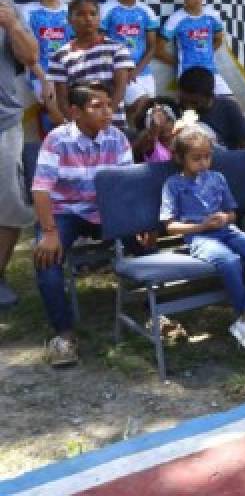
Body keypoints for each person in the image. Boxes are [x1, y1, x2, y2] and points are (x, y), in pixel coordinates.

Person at [31, 82, 133, 367]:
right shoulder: (57, 140)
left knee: (145, 240)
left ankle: (150, 313)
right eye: (97, 106)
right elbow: (40, 190)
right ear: (75, 112)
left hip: (106, 211)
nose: (107, 112)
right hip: (66, 212)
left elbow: (128, 187)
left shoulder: (118, 138)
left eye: (109, 105)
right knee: (46, 260)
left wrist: (139, 221)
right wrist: (49, 233)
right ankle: (64, 336)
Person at [161, 126, 245, 355]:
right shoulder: (173, 185)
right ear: (180, 158)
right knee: (229, 261)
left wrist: (225, 217)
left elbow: (233, 213)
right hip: (199, 235)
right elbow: (170, 226)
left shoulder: (217, 178)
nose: (203, 163)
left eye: (207, 157)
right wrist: (201, 226)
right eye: (196, 158)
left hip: (225, 229)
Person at [0, 0, 39, 308]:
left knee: (10, 204)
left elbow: (30, 57)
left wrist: (11, 24)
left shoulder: (6, 7)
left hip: (3, 124)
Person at [47, 0, 134, 129]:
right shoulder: (59, 56)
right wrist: (77, 125)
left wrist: (105, 116)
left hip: (113, 125)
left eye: (93, 14)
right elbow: (62, 99)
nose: (88, 19)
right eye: (81, 14)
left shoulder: (117, 49)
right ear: (70, 20)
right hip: (81, 129)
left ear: (99, 18)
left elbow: (120, 89)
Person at [101, 0, 159, 115]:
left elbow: (152, 47)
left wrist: (137, 70)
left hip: (144, 72)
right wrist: (121, 70)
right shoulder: (106, 9)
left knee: (144, 116)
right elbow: (100, 42)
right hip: (118, 72)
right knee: (144, 106)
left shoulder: (147, 11)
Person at [160, 0, 233, 96]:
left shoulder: (213, 15)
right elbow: (158, 49)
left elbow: (218, 39)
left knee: (232, 105)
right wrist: (180, 62)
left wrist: (205, 54)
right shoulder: (175, 19)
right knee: (195, 111)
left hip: (211, 72)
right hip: (188, 74)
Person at [20, 0, 70, 126]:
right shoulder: (29, 11)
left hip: (69, 73)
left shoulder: (70, 11)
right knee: (56, 110)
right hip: (40, 74)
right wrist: (44, 80)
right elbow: (25, 50)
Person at [177, 67, 245, 150]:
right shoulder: (177, 109)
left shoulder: (229, 108)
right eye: (183, 100)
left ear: (210, 96)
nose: (188, 107)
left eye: (194, 103)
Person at [129, 98, 179, 163]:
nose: (163, 124)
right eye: (158, 119)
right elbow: (151, 139)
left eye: (167, 119)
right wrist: (155, 126)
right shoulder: (151, 146)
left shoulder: (180, 141)